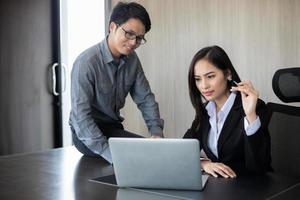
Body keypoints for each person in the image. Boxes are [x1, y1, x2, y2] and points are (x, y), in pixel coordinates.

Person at [69, 2, 164, 164]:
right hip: (85, 135)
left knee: (152, 150)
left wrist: (156, 134)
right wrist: (110, 154)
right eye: (129, 34)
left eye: (139, 38)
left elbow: (145, 98)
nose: (134, 42)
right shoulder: (86, 63)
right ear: (112, 27)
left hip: (112, 129)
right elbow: (81, 119)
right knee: (141, 155)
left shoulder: (132, 60)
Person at [184, 45, 272, 178]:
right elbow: (184, 149)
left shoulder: (254, 107)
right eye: (198, 79)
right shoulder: (206, 110)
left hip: (248, 187)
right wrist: (203, 164)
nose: (204, 85)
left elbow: (260, 166)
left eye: (210, 76)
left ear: (228, 74)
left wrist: (250, 115)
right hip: (219, 187)